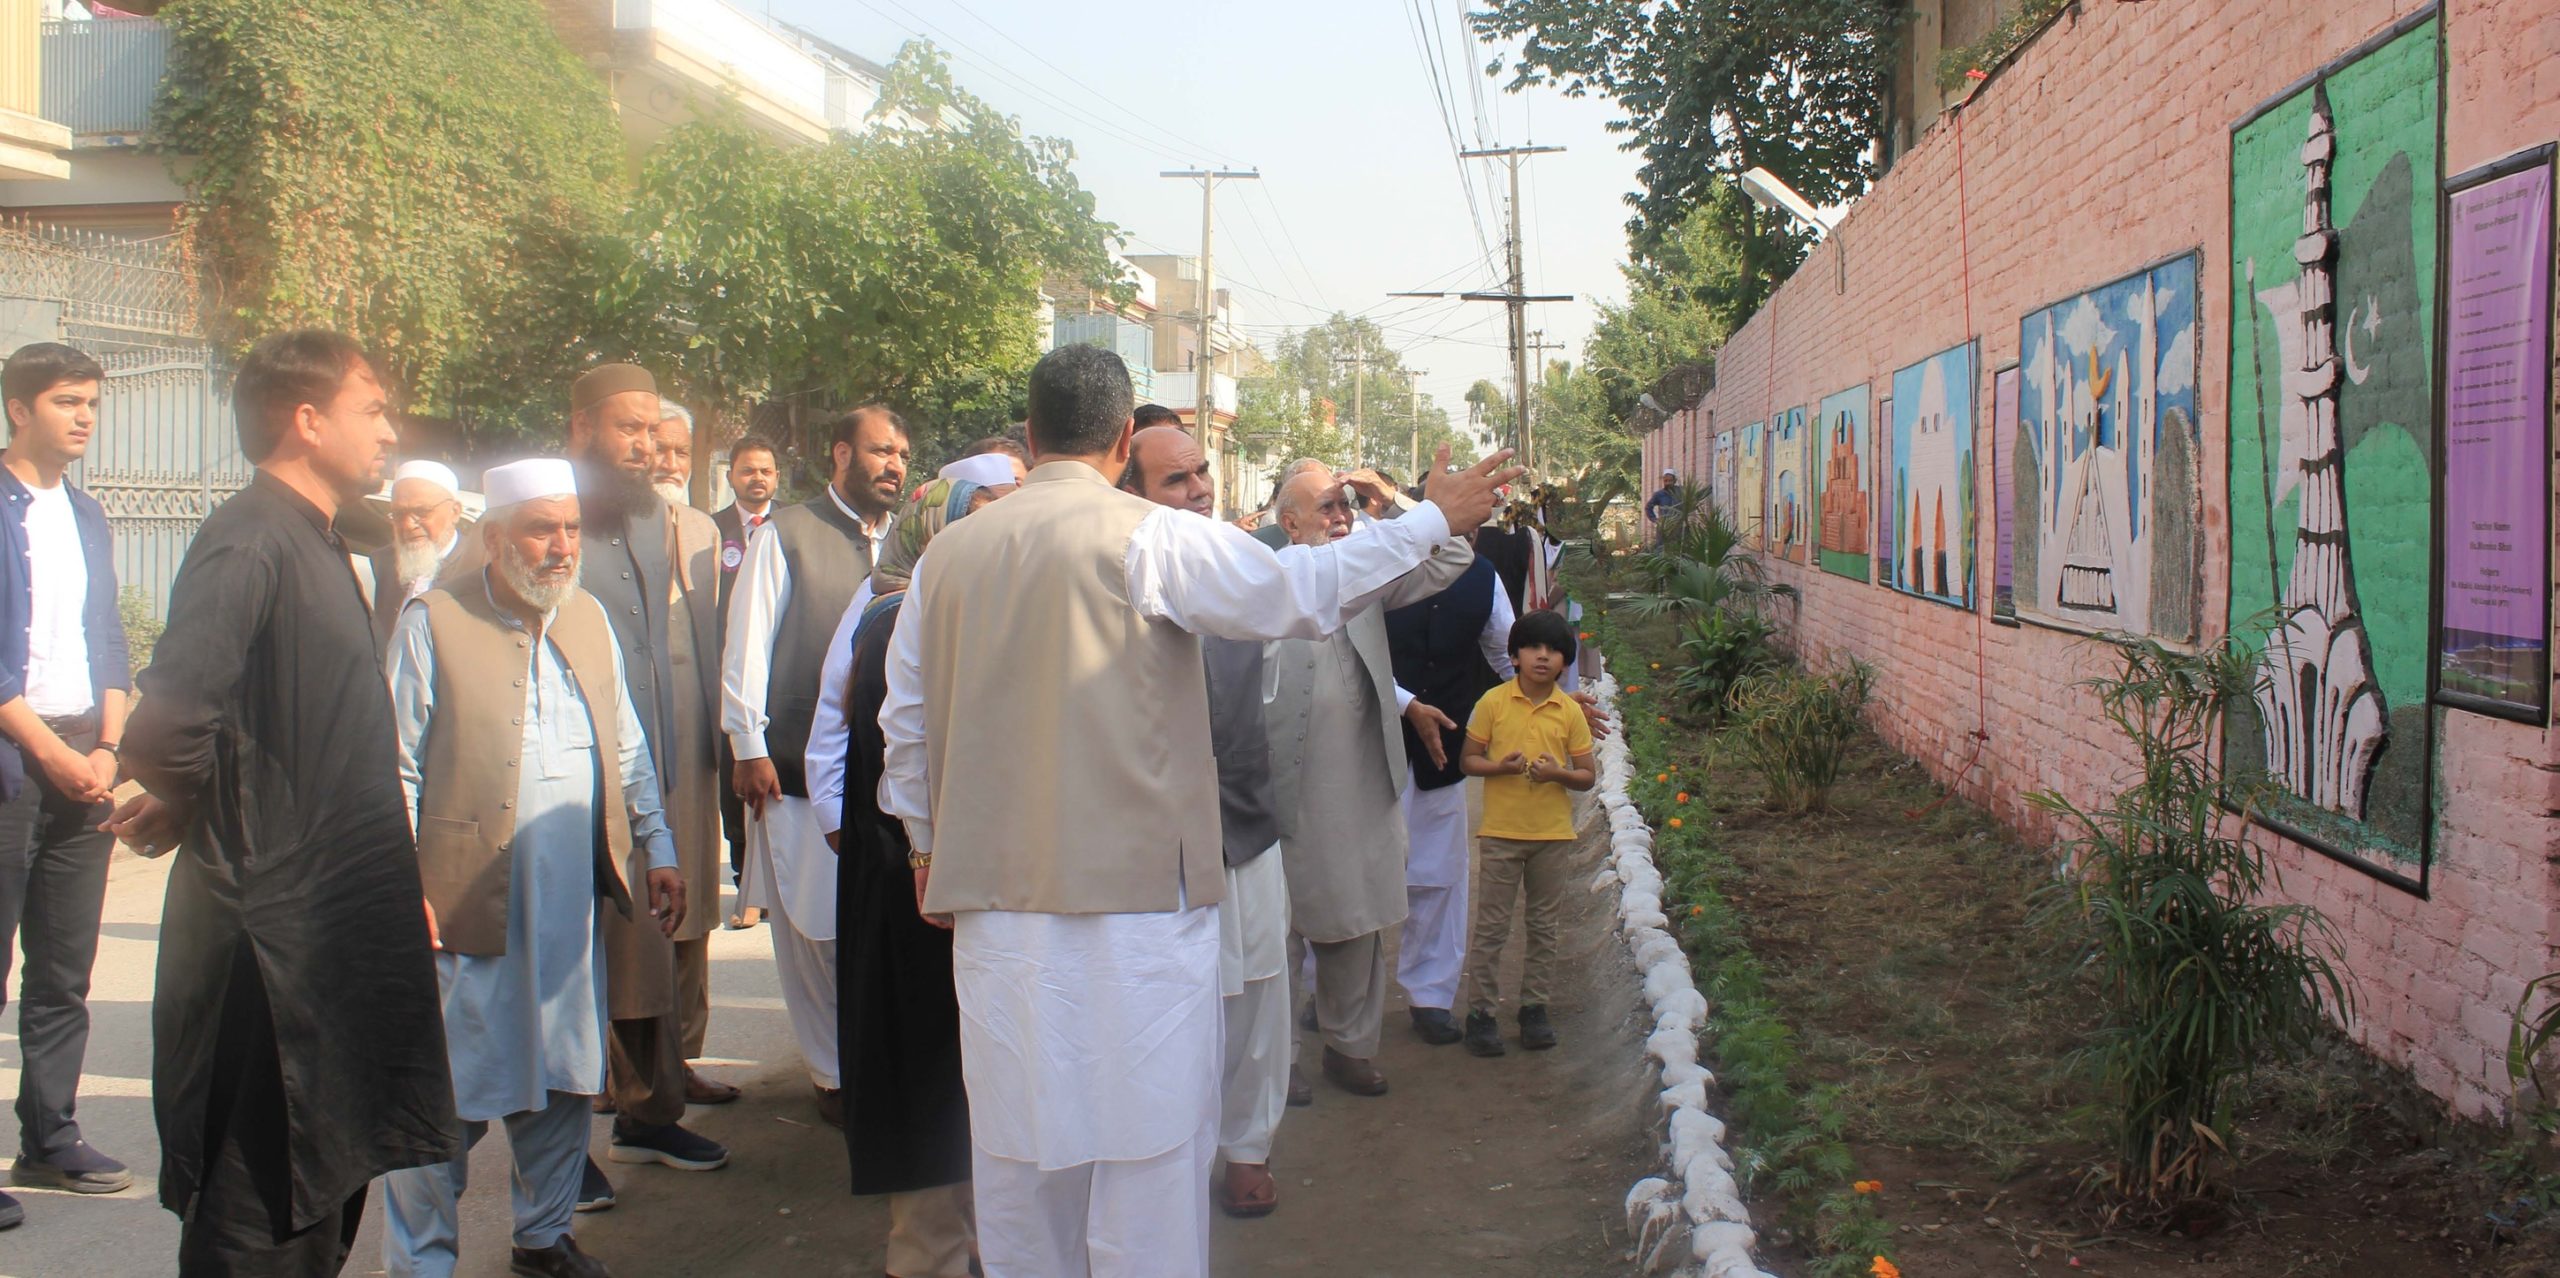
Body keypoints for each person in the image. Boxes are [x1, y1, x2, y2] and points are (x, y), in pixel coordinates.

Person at [879, 343, 1521, 1276]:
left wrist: (928, 852)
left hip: (997, 918)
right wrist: (1426, 520)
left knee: (1021, 1164)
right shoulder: (1148, 538)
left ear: (1030, 434)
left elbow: (907, 730)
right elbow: (1301, 592)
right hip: (1137, 914)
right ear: (1119, 439)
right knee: (1147, 1165)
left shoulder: (945, 560)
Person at [110, 329, 458, 1274]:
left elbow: (264, 723)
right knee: (258, 1205)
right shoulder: (249, 536)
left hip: (332, 926)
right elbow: (173, 723)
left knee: (327, 1183)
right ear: (306, 420)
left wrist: (200, 801)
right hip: (272, 950)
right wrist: (201, 806)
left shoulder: (321, 539)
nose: (389, 429)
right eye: (372, 407)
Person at [380, 460, 686, 1278]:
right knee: (445, 1094)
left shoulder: (585, 617)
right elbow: (397, 769)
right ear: (495, 538)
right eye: (540, 529)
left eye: (570, 529)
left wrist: (658, 845)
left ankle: (543, 1239)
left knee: (561, 1075)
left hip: (568, 904)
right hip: (464, 904)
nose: (559, 547)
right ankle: (420, 1263)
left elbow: (627, 746)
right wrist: (401, 886)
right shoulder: (433, 619)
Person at [561, 363, 729, 1203]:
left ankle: (648, 1116)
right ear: (580, 428)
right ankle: (558, 1157)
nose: (643, 446)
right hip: (559, 792)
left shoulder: (652, 521)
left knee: (644, 953)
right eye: (626, 429)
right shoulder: (549, 519)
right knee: (567, 972)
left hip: (643, 775)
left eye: (650, 431)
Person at [1117, 426, 1292, 1219]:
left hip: (1248, 822)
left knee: (1259, 992)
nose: (1198, 490)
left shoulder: (1242, 565)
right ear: (1130, 496)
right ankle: (1173, 1160)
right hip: (1154, 844)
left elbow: (1271, 678)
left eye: (1202, 473)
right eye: (1174, 480)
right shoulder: (1108, 578)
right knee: (1178, 1010)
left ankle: (1247, 1149)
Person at [1261, 465, 1472, 1101]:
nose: (1342, 514)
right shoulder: (1256, 576)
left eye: (1348, 503)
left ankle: (1349, 1048)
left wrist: (1392, 498)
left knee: (1356, 920)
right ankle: (1281, 1061)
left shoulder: (1368, 565)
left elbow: (1456, 551)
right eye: (1327, 505)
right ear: (1288, 522)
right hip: (1278, 782)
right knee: (1279, 927)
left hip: (1357, 779)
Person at [724, 405, 908, 1127]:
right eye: (878, 451)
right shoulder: (788, 535)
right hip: (795, 769)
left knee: (869, 927)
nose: (892, 464)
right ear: (840, 454)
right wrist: (748, 744)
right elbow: (747, 645)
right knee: (811, 929)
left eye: (900, 453)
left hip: (881, 778)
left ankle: (869, 1060)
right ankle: (831, 1074)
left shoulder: (905, 544)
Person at [832, 477, 995, 1278]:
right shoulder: (902, 622)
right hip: (916, 906)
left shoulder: (913, 611)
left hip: (929, 893)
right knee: (934, 1104)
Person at [0, 342, 132, 1228]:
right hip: (16, 756)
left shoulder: (87, 514)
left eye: (91, 401)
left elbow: (107, 634)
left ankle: (49, 1135)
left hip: (86, 758)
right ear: (19, 409)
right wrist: (49, 751)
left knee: (64, 967)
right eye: (65, 401)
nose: (83, 416)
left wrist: (112, 747)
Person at [1383, 531, 1514, 1046]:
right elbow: (1344, 654)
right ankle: (1324, 990)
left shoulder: (1483, 577)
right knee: (1351, 872)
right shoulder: (1378, 569)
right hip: (1371, 746)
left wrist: (1558, 703)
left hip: (1445, 748)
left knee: (1439, 873)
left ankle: (1430, 996)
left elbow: (1509, 654)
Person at [1456, 609, 1595, 1057]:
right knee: (1492, 928)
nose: (1543, 657)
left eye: (1554, 650)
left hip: (1553, 837)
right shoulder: (1493, 703)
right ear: (1514, 656)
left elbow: (1587, 775)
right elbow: (1468, 761)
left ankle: (1534, 1009)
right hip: (1500, 834)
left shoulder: (1569, 711)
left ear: (1564, 662)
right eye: (1533, 648)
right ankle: (1480, 1014)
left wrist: (1558, 774)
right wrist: (1500, 767)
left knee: (1543, 927)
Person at [712, 434, 781, 927]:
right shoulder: (710, 532)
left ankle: (772, 886)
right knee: (733, 780)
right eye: (748, 470)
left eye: (766, 471)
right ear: (731, 475)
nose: (757, 478)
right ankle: (744, 883)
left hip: (774, 677)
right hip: (726, 676)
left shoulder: (791, 529)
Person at [370, 459, 469, 654]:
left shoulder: (479, 567)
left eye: (421, 512)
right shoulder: (385, 561)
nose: (408, 525)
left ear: (455, 512)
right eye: (398, 514)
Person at [651, 403, 698, 509]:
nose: (672, 466)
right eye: (659, 450)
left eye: (681, 453)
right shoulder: (609, 523)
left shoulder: (702, 524)